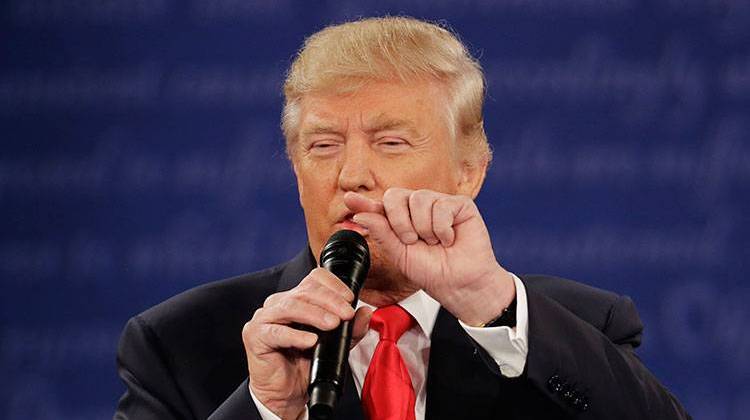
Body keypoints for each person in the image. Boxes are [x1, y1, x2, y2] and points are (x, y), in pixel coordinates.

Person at [115, 16, 691, 420]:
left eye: (390, 143)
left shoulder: (576, 326)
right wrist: (267, 410)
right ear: (295, 169)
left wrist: (493, 304)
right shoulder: (178, 343)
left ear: (469, 172)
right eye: (322, 147)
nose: (351, 176)